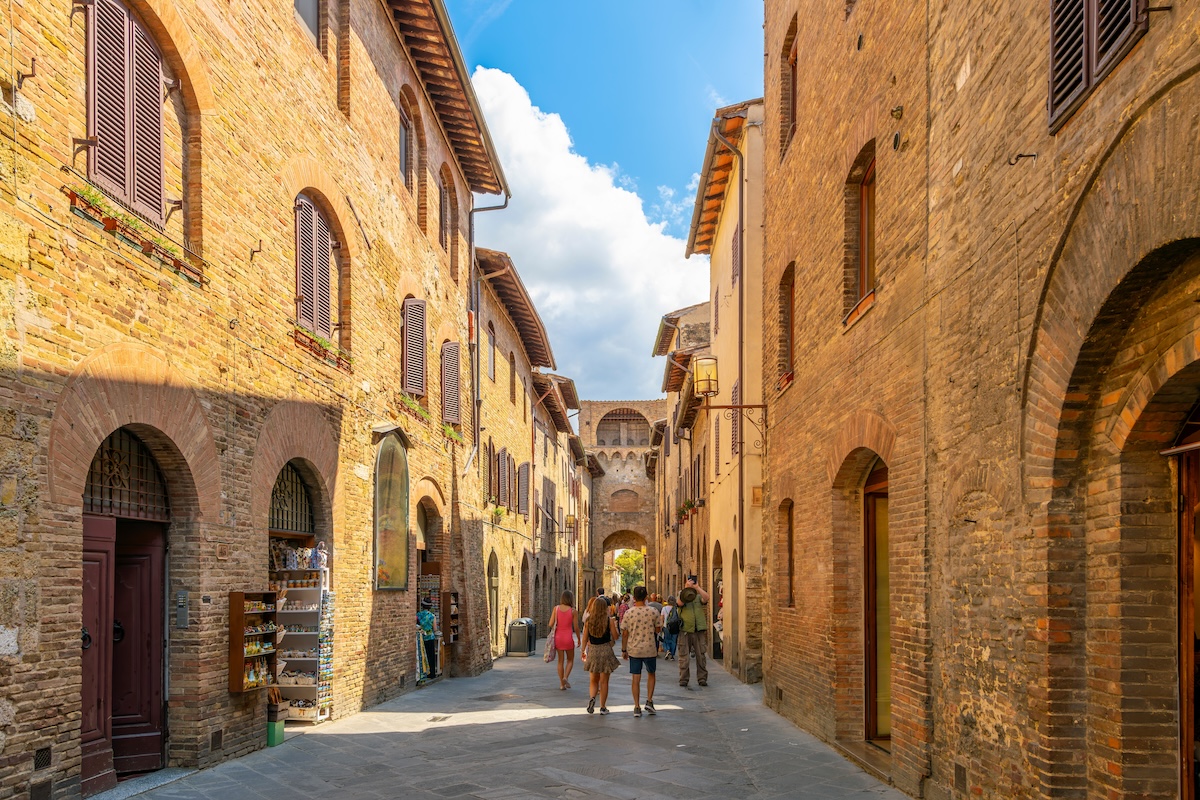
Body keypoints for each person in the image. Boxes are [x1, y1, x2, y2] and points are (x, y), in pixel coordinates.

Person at [621, 585, 661, 717]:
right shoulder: (653, 611)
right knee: (651, 674)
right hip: (650, 648)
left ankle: (636, 706)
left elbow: (625, 633)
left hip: (634, 649)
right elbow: (658, 630)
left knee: (635, 678)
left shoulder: (629, 613)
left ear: (634, 597)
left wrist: (624, 649)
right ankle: (649, 701)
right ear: (646, 597)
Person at [581, 595, 619, 715]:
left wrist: (583, 651)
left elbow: (585, 638)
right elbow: (616, 636)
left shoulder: (588, 621)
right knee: (604, 682)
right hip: (606, 650)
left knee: (593, 680)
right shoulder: (609, 620)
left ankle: (592, 698)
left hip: (593, 650)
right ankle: (603, 707)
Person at [676, 575, 710, 687]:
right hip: (685, 629)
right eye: (689, 581)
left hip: (699, 629)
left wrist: (697, 588)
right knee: (684, 656)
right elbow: (679, 603)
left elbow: (707, 598)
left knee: (701, 655)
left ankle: (702, 678)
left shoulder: (698, 595)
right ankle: (683, 679)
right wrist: (686, 590)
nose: (691, 583)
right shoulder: (682, 593)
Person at [548, 590, 580, 690]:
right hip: (568, 638)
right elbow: (576, 627)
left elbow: (550, 624)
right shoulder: (573, 611)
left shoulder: (556, 609)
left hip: (558, 637)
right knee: (570, 660)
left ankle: (562, 684)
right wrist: (579, 639)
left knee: (560, 661)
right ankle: (566, 677)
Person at [417, 598, 439, 679]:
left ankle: (422, 673)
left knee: (422, 655)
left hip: (421, 637)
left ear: (422, 606)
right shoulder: (432, 616)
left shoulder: (418, 615)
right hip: (430, 637)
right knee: (431, 656)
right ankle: (432, 673)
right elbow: (435, 629)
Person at [660, 595, 679, 660]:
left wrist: (661, 626)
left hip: (666, 626)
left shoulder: (664, 608)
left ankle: (667, 650)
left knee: (666, 640)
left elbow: (661, 618)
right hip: (675, 627)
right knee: (673, 640)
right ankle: (672, 654)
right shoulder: (676, 609)